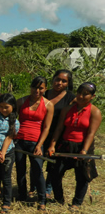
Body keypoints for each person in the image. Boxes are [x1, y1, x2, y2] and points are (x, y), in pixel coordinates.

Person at [47, 82, 102, 211]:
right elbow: (59, 128)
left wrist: (84, 150)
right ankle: (58, 198)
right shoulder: (67, 109)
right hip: (65, 145)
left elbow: (90, 133)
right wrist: (52, 145)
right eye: (79, 93)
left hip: (83, 146)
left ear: (92, 97)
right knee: (55, 172)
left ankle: (76, 203)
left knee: (82, 176)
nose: (81, 96)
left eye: (85, 94)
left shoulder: (95, 112)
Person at [15, 76, 54, 212]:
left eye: (40, 88)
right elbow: (13, 119)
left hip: (36, 142)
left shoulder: (48, 105)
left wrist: (39, 145)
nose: (37, 90)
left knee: (37, 170)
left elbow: (47, 127)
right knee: (20, 170)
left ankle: (42, 199)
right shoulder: (21, 101)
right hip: (19, 141)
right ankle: (22, 195)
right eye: (34, 87)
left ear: (45, 89)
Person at [44, 70, 75, 200]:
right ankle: (35, 187)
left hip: (58, 135)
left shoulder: (71, 98)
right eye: (57, 79)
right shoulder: (43, 93)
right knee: (37, 161)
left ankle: (48, 189)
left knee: (53, 163)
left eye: (64, 81)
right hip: (41, 132)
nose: (59, 83)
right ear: (53, 79)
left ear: (68, 83)